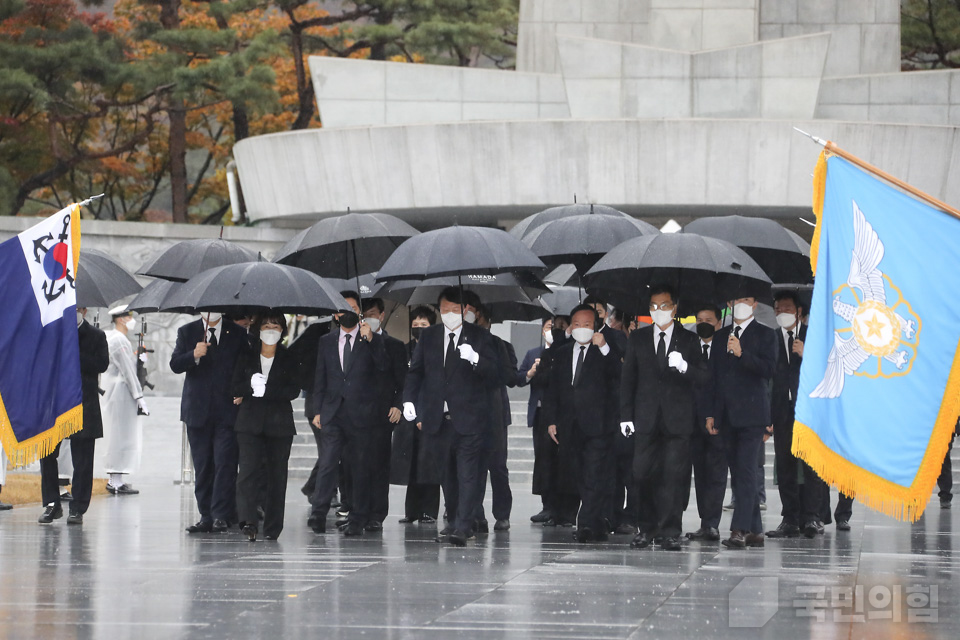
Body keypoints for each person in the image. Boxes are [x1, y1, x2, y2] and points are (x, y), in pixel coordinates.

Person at [403, 287, 500, 546]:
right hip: (438, 419)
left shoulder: (479, 336)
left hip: (469, 420)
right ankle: (456, 520)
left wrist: (475, 358)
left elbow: (496, 374)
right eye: (444, 310)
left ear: (465, 310)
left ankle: (464, 526)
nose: (449, 315)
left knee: (467, 474)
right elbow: (416, 371)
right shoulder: (430, 337)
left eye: (454, 310)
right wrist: (409, 401)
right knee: (447, 476)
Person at [620, 285, 707, 551]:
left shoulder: (689, 340)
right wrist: (626, 416)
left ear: (675, 307)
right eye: (654, 306)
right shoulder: (638, 338)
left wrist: (684, 366)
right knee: (642, 474)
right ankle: (646, 528)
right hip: (645, 419)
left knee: (673, 476)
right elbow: (628, 380)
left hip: (677, 421)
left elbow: (704, 378)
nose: (660, 311)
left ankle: (670, 531)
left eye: (665, 305)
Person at [309, 291, 389, 536]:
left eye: (352, 308)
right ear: (336, 313)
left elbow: (384, 369)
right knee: (328, 463)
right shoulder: (326, 341)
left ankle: (357, 517)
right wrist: (316, 409)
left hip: (362, 414)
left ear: (360, 311)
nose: (347, 313)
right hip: (333, 412)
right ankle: (318, 513)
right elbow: (320, 378)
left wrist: (372, 340)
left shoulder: (371, 339)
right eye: (342, 309)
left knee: (359, 467)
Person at [543, 304, 621, 543]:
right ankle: (596, 525)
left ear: (595, 327)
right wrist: (552, 420)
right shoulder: (564, 352)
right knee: (579, 475)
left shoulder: (606, 350)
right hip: (569, 425)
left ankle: (586, 524)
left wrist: (604, 347)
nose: (581, 329)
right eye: (576, 324)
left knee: (594, 474)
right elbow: (554, 388)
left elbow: (619, 374)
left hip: (598, 425)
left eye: (587, 325)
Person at [707, 295, 777, 550]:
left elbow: (769, 370)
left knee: (747, 471)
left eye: (746, 299)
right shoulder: (720, 336)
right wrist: (711, 414)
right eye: (736, 300)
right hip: (726, 415)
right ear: (728, 304)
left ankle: (739, 529)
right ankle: (756, 530)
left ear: (755, 304)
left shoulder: (766, 334)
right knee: (737, 473)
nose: (741, 304)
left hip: (752, 415)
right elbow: (714, 377)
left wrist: (741, 354)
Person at [171, 310, 249, 533]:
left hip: (228, 410)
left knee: (225, 463)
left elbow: (246, 365)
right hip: (197, 410)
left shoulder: (237, 332)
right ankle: (205, 515)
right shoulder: (187, 332)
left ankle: (221, 514)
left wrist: (243, 390)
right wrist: (193, 355)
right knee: (203, 465)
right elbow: (175, 364)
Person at [230, 312, 302, 541]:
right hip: (249, 423)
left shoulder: (289, 356)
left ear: (282, 330)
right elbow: (234, 386)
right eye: (266, 325)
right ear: (258, 329)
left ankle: (273, 527)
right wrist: (250, 387)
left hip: (279, 425)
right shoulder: (246, 354)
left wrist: (268, 390)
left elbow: (294, 390)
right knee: (248, 473)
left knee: (277, 477)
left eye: (276, 325)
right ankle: (248, 521)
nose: (271, 329)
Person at [38, 307, 109, 524]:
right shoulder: (52, 332)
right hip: (55, 404)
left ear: (84, 311)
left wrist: (73, 351)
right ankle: (52, 503)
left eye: (77, 309)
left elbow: (101, 364)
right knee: (48, 454)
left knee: (83, 460)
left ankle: (78, 507)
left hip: (83, 404)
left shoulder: (97, 336)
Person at [766, 291, 826, 540]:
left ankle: (812, 516)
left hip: (809, 411)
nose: (782, 313)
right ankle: (790, 518)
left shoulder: (815, 336)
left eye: (787, 308)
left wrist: (807, 354)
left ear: (799, 312)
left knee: (811, 465)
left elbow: (829, 369)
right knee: (786, 464)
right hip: (782, 411)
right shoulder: (771, 339)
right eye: (778, 309)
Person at [393, 306, 441, 524]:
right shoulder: (404, 350)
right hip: (408, 414)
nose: (419, 329)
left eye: (424, 325)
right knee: (410, 463)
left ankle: (429, 510)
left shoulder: (438, 350)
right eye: (415, 325)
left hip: (430, 412)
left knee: (429, 463)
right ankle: (411, 510)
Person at [361, 297, 406, 531]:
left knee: (378, 464)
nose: (367, 317)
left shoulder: (395, 346)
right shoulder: (353, 342)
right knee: (355, 464)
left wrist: (398, 405)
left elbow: (401, 381)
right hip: (356, 412)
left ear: (381, 316)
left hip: (382, 413)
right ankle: (356, 510)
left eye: (372, 313)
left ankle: (377, 513)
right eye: (363, 313)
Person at [684, 304, 728, 542]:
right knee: (700, 474)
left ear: (718, 323)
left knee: (716, 473)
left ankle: (712, 523)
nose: (703, 323)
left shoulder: (725, 347)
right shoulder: (690, 346)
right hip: (691, 421)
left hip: (718, 421)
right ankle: (705, 522)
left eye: (708, 319)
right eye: (699, 318)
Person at [473, 302, 517, 532]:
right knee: (474, 469)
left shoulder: (502, 346)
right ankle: (476, 514)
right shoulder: (461, 346)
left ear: (488, 322)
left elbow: (509, 375)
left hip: (495, 415)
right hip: (470, 414)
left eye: (478, 319)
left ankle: (502, 514)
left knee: (497, 467)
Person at [102, 305, 149, 495]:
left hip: (116, 393)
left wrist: (137, 358)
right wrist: (139, 396)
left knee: (119, 435)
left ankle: (117, 478)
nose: (132, 320)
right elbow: (128, 372)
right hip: (120, 393)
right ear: (121, 319)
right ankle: (115, 481)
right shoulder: (119, 340)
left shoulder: (114, 338)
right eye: (129, 316)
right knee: (120, 437)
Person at [516, 317, 554, 522]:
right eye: (549, 327)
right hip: (540, 412)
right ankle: (546, 505)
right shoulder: (533, 353)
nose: (552, 331)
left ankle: (560, 507)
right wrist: (531, 371)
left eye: (556, 327)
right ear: (542, 331)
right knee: (542, 458)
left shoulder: (563, 351)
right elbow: (519, 378)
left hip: (558, 413)